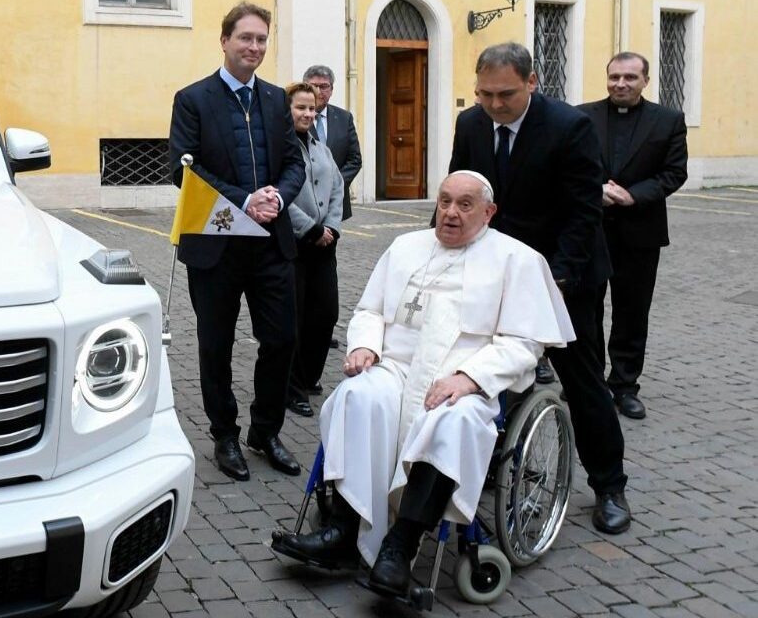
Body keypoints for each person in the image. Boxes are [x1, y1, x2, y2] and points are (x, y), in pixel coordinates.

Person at [271, 171, 574, 596]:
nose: (450, 213)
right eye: (445, 201)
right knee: (357, 396)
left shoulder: (516, 260)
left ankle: (400, 546)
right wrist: (364, 346)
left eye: (465, 205)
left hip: (461, 379)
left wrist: (470, 377)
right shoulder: (405, 247)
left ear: (489, 212)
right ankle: (342, 529)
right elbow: (370, 310)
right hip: (395, 368)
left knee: (453, 423)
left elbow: (526, 344)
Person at [448, 42, 632, 534]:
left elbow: (582, 213)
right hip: (496, 271)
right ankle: (491, 461)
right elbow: (461, 195)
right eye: (483, 94)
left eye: (504, 94)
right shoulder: (470, 125)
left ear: (532, 82)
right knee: (489, 368)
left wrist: (554, 279)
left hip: (565, 275)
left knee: (583, 379)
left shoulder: (570, 127)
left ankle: (609, 485)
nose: (493, 104)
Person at [169, 1, 307, 480]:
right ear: (224, 40)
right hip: (217, 244)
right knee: (215, 344)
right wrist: (242, 200)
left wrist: (278, 198)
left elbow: (294, 163)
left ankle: (265, 431)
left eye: (261, 40)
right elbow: (183, 168)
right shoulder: (193, 99)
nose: (254, 47)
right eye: (245, 38)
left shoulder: (274, 99)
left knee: (283, 338)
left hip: (270, 243)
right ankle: (224, 434)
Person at [577, 52, 689, 420]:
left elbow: (674, 173)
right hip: (591, 229)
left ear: (645, 80)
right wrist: (596, 189)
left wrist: (632, 195)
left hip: (640, 231)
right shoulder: (582, 116)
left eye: (629, 77)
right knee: (587, 309)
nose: (620, 84)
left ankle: (624, 385)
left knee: (632, 311)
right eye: (614, 77)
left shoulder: (668, 120)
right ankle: (589, 383)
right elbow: (570, 164)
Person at [282, 82, 344, 418]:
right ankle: (292, 388)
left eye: (312, 109)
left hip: (324, 245)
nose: (307, 114)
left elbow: (338, 186)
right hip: (294, 245)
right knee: (295, 317)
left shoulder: (321, 148)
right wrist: (312, 228)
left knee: (325, 313)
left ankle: (309, 376)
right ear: (287, 110)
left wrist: (332, 227)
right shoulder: (279, 148)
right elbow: (279, 195)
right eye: (301, 108)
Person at [302, 65, 363, 220]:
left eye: (324, 86)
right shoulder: (295, 116)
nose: (319, 91)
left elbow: (355, 160)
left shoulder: (344, 118)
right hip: (305, 199)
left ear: (331, 90)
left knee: (330, 242)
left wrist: (334, 184)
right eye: (313, 86)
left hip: (335, 202)